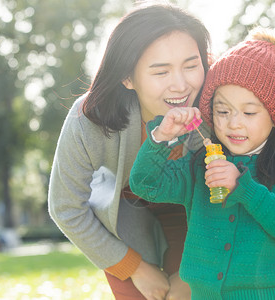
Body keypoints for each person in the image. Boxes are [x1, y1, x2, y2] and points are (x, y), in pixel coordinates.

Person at [129, 31, 275, 299]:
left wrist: (243, 187)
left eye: (249, 112)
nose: (234, 123)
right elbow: (146, 185)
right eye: (223, 111)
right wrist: (161, 136)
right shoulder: (199, 167)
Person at [48, 3, 211, 300]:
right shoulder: (88, 119)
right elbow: (66, 207)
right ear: (127, 77)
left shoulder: (213, 107)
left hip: (190, 214)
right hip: (124, 218)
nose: (181, 85)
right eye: (161, 71)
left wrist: (193, 268)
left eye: (191, 65)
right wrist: (134, 268)